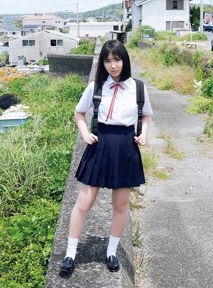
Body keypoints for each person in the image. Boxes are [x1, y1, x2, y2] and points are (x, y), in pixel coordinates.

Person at [60, 40, 153, 275]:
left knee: (120, 205)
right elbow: (79, 112)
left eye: (117, 59)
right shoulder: (96, 87)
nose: (113, 65)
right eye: (108, 60)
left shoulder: (138, 88)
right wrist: (85, 134)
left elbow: (145, 117)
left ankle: (111, 251)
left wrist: (144, 134)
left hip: (125, 147)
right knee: (84, 202)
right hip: (99, 144)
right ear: (103, 63)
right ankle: (70, 253)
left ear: (125, 60)